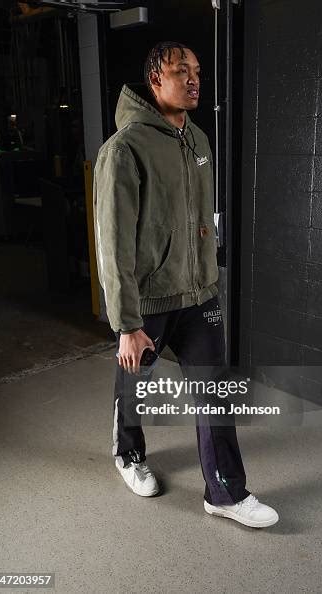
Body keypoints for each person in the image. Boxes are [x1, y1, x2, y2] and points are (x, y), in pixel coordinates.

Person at [93, 41, 279, 528]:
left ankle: (224, 492)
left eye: (197, 71)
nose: (194, 79)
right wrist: (126, 323)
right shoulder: (125, 148)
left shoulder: (196, 137)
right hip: (149, 298)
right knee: (134, 385)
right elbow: (113, 245)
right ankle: (128, 453)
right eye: (181, 71)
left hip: (199, 292)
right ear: (155, 80)